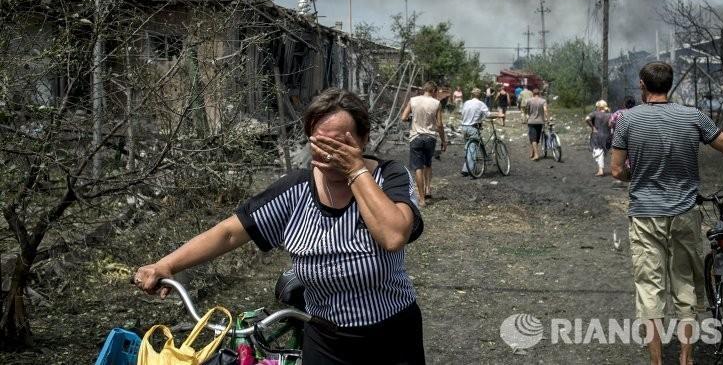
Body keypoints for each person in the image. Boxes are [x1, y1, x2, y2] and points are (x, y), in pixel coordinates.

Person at [134, 88, 426, 365]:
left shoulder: (390, 178)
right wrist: (166, 264)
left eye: (339, 144)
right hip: (325, 337)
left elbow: (393, 235)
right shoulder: (296, 190)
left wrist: (354, 170)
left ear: (363, 140)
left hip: (392, 335)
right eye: (319, 144)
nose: (327, 155)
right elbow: (230, 232)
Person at [611, 61, 723, 365]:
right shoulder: (693, 116)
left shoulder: (628, 120)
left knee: (649, 289)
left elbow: (616, 169)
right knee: (684, 284)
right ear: (669, 85)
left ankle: (656, 362)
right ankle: (686, 358)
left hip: (644, 215)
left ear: (643, 85)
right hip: (684, 212)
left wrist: (640, 175)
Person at [401, 81, 447, 207]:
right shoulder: (436, 103)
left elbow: (403, 117)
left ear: (424, 89)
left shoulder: (413, 100)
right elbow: (439, 125)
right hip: (430, 138)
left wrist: (413, 118)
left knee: (418, 168)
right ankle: (428, 188)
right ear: (433, 91)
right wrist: (444, 140)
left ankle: (421, 199)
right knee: (428, 164)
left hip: (416, 137)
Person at [460, 88, 504, 175]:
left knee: (467, 148)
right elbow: (488, 114)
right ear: (480, 95)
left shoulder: (466, 103)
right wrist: (499, 115)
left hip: (464, 127)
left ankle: (470, 167)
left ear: (472, 95)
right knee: (472, 149)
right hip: (473, 128)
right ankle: (467, 170)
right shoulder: (480, 104)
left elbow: (464, 113)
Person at [609, 95, 636, 172]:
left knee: (620, 157)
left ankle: (622, 175)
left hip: (619, 138)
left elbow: (610, 123)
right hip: (634, 137)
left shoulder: (618, 113)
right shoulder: (637, 113)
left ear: (624, 104)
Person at [585, 100, 612, 176]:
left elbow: (587, 119)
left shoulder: (595, 113)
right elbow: (612, 124)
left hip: (597, 135)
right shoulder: (610, 114)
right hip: (607, 135)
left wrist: (592, 127)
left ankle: (601, 170)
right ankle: (602, 169)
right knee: (602, 152)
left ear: (598, 107)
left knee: (598, 152)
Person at [525, 88, 548, 161]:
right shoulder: (543, 101)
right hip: (540, 122)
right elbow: (545, 110)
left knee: (533, 138)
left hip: (532, 121)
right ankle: (532, 152)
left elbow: (527, 110)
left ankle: (536, 155)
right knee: (536, 138)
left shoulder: (529, 100)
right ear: (539, 94)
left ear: (533, 94)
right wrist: (547, 118)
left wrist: (528, 116)